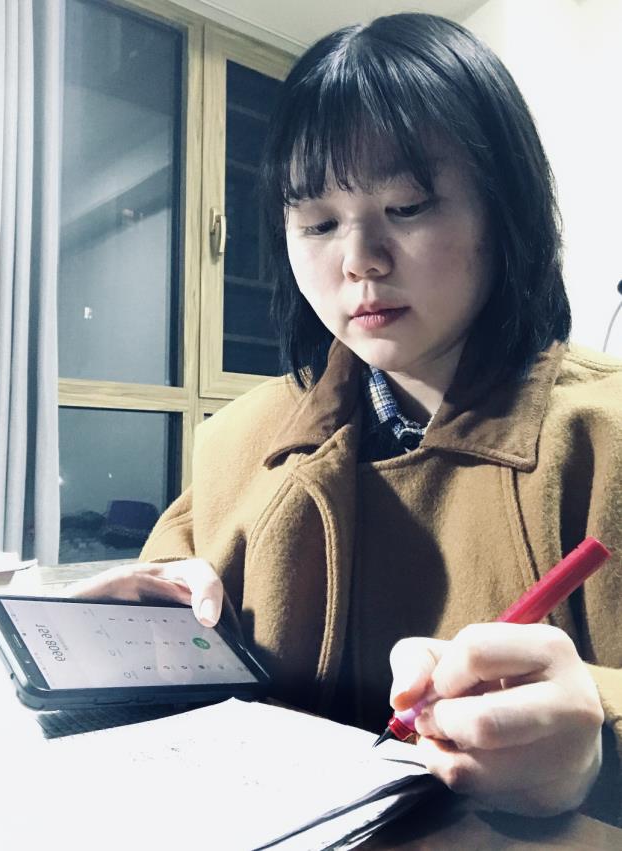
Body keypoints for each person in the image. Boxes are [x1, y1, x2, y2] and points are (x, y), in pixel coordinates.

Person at [74, 13, 622, 824]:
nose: (359, 258)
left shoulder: (603, 437)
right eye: (318, 223)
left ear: (503, 212)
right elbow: (165, 606)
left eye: (407, 205)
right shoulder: (236, 439)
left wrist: (594, 746)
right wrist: (145, 636)